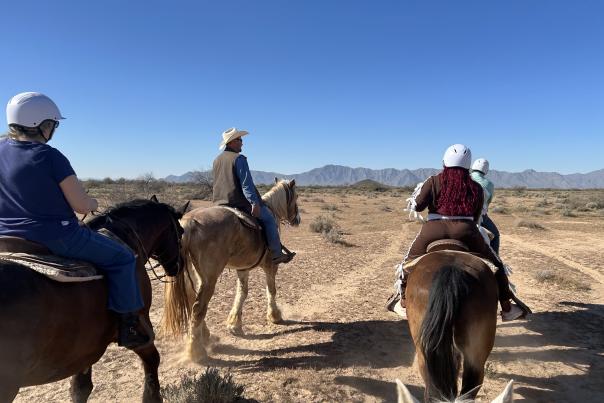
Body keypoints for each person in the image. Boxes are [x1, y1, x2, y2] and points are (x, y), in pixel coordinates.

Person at [0, 92, 150, 349]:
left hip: (5, 237)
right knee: (123, 258)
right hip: (55, 237)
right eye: (53, 124)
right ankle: (129, 324)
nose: (53, 130)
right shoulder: (49, 156)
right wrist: (92, 204)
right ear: (41, 124)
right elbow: (80, 204)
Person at [386, 144, 529, 321]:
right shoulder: (476, 187)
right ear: (468, 165)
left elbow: (417, 205)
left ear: (444, 161)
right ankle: (507, 308)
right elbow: (477, 217)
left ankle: (403, 302)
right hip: (466, 231)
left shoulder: (433, 181)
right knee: (496, 265)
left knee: (407, 263)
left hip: (433, 231)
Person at [212, 127, 295, 265]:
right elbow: (246, 184)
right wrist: (254, 203)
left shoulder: (217, 160)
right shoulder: (239, 159)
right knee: (269, 219)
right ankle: (276, 253)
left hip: (219, 203)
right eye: (240, 139)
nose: (242, 143)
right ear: (232, 142)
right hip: (238, 203)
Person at [471, 158, 500, 253]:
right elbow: (488, 202)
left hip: (460, 214)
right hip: (480, 217)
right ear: (486, 170)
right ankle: (497, 262)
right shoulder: (489, 184)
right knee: (495, 235)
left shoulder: (465, 178)